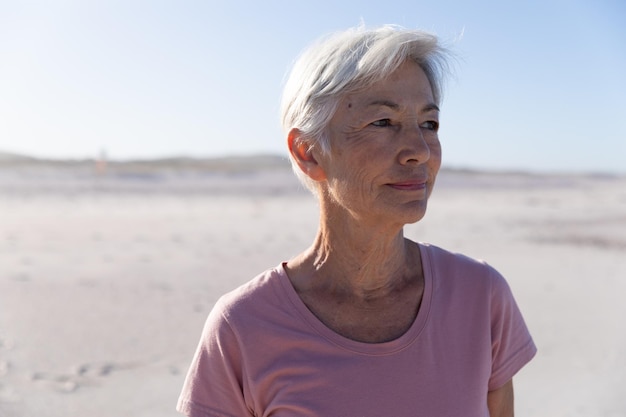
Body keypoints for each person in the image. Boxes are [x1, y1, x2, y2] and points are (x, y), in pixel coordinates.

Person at [177, 25, 536, 417]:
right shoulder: (242, 327)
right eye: (383, 122)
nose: (419, 150)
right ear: (308, 152)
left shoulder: (480, 297)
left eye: (429, 124)